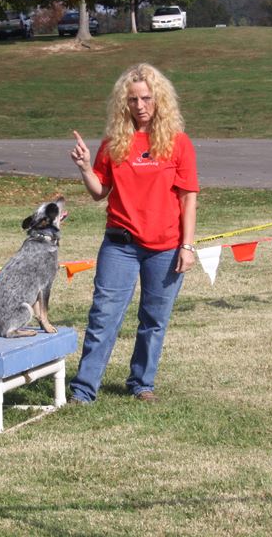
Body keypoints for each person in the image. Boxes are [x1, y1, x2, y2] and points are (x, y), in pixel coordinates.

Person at [68, 62, 198, 404]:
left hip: (166, 247)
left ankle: (142, 383)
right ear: (123, 103)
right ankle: (84, 389)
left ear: (159, 100)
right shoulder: (113, 143)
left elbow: (188, 197)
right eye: (132, 99)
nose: (139, 105)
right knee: (103, 315)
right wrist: (84, 168)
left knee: (154, 319)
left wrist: (187, 245)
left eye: (145, 98)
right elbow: (100, 192)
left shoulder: (178, 143)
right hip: (120, 244)